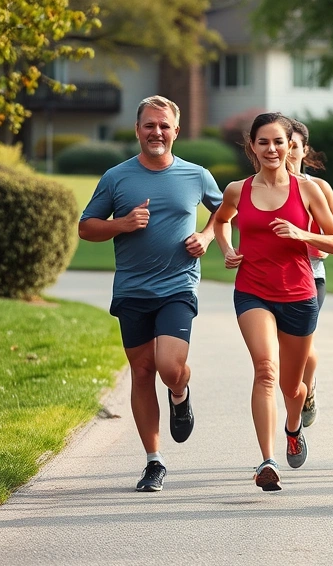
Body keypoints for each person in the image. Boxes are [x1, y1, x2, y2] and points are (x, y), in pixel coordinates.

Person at [78, 95, 222, 492]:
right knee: (142, 371)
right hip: (132, 288)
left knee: (169, 366)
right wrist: (121, 224)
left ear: (176, 130)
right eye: (149, 125)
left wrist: (207, 236)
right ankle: (153, 462)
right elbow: (86, 227)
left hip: (178, 284)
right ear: (138, 129)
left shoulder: (196, 175)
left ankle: (180, 391)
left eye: (164, 125)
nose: (156, 132)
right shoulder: (117, 177)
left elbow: (228, 210)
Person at [214, 112, 333, 491]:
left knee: (293, 387)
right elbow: (222, 220)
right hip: (252, 290)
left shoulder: (308, 190)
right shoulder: (237, 190)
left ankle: (293, 427)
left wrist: (301, 233)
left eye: (278, 142)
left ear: (291, 145)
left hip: (300, 294)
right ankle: (266, 460)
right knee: (265, 370)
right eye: (263, 142)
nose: (271, 149)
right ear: (251, 147)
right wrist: (227, 247)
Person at [285, 118, 333, 430]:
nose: (288, 152)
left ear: (304, 150)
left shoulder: (318, 187)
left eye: (294, 146)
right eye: (284, 145)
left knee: (303, 346)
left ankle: (308, 391)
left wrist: (315, 240)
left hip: (311, 277)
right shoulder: (264, 186)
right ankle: (295, 398)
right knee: (281, 350)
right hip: (272, 279)